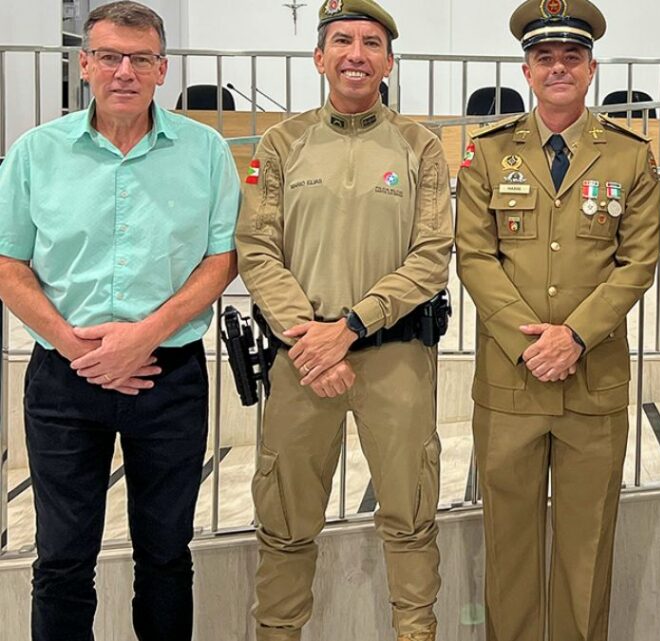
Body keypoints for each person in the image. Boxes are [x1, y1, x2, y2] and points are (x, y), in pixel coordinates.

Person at [0, 2, 239, 639]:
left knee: (165, 556)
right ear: (85, 65)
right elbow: (8, 264)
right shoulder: (35, 154)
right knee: (61, 559)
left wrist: (144, 336)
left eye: (140, 59)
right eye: (109, 56)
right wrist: (75, 346)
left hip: (169, 376)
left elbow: (221, 260)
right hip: (63, 380)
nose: (124, 71)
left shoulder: (206, 151)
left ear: (162, 69)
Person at [234, 1, 453, 639]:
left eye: (370, 43)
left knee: (411, 517)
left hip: (394, 358)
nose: (356, 53)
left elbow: (432, 256)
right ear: (320, 56)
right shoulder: (280, 144)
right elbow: (257, 247)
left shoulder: (421, 148)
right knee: (284, 523)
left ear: (388, 60)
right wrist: (311, 339)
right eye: (342, 41)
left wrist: (350, 328)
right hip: (301, 358)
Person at [454, 1, 660, 638]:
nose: (558, 68)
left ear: (591, 68)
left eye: (571, 57)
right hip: (510, 384)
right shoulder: (488, 154)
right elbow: (475, 256)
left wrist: (573, 337)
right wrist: (531, 343)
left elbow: (637, 261)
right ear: (527, 70)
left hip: (592, 382)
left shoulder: (630, 156)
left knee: (586, 550)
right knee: (510, 551)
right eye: (545, 58)